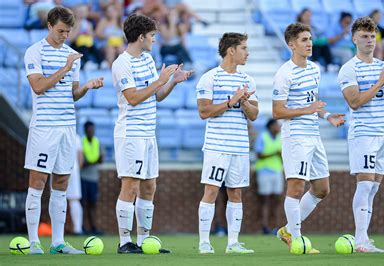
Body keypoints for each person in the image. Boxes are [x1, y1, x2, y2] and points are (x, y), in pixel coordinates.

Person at [23, 6, 103, 255]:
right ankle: (34, 241)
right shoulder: (34, 52)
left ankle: (58, 242)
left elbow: (72, 94)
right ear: (49, 26)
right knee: (37, 182)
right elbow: (38, 87)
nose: (64, 36)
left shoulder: (71, 55)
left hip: (68, 127)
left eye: (68, 31)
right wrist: (65, 69)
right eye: (60, 31)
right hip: (44, 127)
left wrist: (87, 87)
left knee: (62, 183)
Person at [112, 13, 192, 254]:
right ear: (140, 37)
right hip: (131, 133)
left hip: (148, 133)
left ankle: (145, 240)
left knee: (149, 186)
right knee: (131, 186)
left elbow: (155, 96)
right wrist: (160, 80)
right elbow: (133, 98)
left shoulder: (147, 59)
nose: (155, 40)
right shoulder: (121, 63)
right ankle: (125, 241)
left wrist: (172, 82)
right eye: (152, 36)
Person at [272, 23, 345, 254]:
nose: (310, 43)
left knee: (322, 189)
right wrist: (307, 109)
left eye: (310, 38)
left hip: (314, 134)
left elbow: (313, 102)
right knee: (295, 188)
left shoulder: (315, 69)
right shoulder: (284, 73)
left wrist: (327, 115)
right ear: (292, 45)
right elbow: (277, 112)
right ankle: (296, 239)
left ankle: (286, 230)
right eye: (304, 39)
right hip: (296, 137)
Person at [338, 16, 384, 253]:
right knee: (364, 186)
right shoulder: (348, 68)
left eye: (372, 36)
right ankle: (361, 240)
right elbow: (355, 102)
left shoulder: (383, 66)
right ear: (354, 38)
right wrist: (379, 83)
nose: (369, 40)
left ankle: (364, 237)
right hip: (363, 134)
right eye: (364, 36)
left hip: (382, 134)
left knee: (374, 188)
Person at [196, 32, 258, 254]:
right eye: (243, 48)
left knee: (236, 194)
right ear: (231, 50)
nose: (247, 53)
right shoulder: (209, 78)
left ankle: (233, 243)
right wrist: (231, 101)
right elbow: (204, 111)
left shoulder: (248, 80)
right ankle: (204, 241)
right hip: (216, 146)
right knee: (211, 192)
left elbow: (254, 114)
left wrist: (244, 102)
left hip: (240, 146)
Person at [254, 119, 283, 234]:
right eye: (276, 125)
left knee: (277, 200)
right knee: (265, 200)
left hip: (277, 171)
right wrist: (274, 153)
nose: (279, 127)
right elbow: (258, 154)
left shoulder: (281, 137)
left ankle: (276, 227)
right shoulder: (262, 137)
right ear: (271, 126)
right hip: (264, 171)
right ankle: (265, 226)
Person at [80, 121, 103, 235]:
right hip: (83, 177)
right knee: (82, 203)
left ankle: (93, 227)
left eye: (92, 130)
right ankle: (82, 227)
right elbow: (82, 163)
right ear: (85, 131)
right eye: (89, 130)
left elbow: (101, 159)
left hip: (93, 178)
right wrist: (94, 161)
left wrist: (90, 161)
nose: (91, 132)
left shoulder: (97, 142)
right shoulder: (81, 142)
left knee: (93, 203)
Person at [69, 4, 106, 70]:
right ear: (75, 13)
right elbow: (71, 39)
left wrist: (89, 33)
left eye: (83, 12)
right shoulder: (72, 23)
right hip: (75, 44)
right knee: (83, 48)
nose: (81, 14)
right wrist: (78, 28)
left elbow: (92, 37)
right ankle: (87, 63)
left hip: (87, 42)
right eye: (80, 12)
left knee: (94, 48)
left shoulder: (88, 24)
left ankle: (101, 62)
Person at [95, 4, 125, 68]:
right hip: (106, 43)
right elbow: (97, 33)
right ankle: (110, 67)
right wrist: (107, 36)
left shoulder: (120, 23)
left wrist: (122, 37)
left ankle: (122, 68)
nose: (111, 13)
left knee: (121, 49)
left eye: (113, 11)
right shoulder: (104, 21)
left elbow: (126, 37)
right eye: (109, 11)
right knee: (111, 49)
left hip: (119, 43)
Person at [66, 133, 84, 235]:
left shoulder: (53, 132)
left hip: (58, 169)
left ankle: (58, 231)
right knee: (74, 199)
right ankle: (77, 229)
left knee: (57, 198)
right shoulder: (76, 136)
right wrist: (77, 170)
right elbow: (80, 156)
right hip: (73, 170)